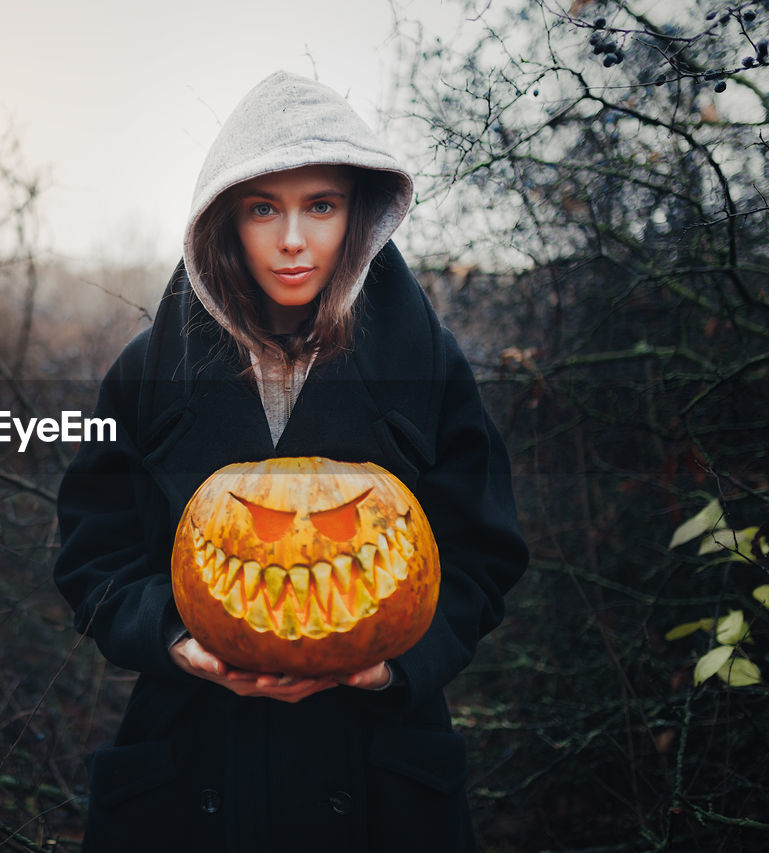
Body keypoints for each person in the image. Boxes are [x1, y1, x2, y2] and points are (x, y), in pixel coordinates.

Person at [53, 70, 529, 852]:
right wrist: (175, 638)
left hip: (378, 769)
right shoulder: (145, 373)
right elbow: (90, 553)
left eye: (322, 205)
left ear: (361, 212)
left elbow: (484, 552)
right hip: (193, 760)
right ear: (225, 220)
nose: (293, 239)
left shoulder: (429, 364)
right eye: (263, 208)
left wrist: (396, 665)